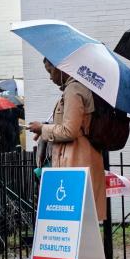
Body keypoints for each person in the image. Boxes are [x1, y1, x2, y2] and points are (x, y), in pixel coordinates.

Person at [27, 58, 106, 222]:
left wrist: (42, 128)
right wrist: (44, 130)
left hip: (75, 159)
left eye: (51, 71)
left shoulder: (74, 90)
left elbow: (69, 131)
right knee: (81, 220)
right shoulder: (76, 88)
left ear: (61, 68)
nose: (50, 77)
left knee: (75, 218)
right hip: (79, 157)